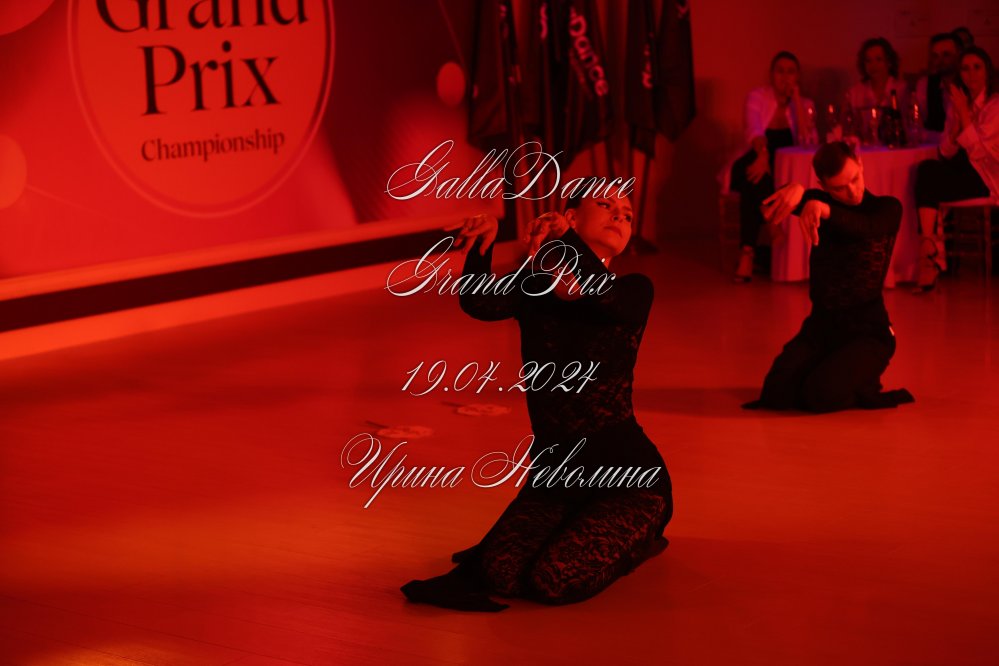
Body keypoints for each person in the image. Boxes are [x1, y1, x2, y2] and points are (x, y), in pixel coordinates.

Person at [400, 187, 673, 612]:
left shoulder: (634, 289)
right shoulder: (535, 286)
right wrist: (485, 245)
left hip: (627, 481)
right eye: (605, 205)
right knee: (500, 573)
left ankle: (642, 539)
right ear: (571, 217)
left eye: (627, 213)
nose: (620, 215)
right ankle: (570, 522)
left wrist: (565, 241)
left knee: (551, 580)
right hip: (557, 475)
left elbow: (599, 292)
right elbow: (479, 302)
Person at [743, 142, 914, 413]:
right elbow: (765, 203)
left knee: (819, 396)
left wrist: (822, 209)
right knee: (776, 394)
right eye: (839, 188)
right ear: (823, 185)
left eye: (854, 179)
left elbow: (865, 227)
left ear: (860, 164)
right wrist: (795, 188)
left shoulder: (886, 208)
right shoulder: (816, 201)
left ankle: (862, 382)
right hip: (822, 326)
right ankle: (832, 370)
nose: (852, 191)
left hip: (869, 332)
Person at [726, 51, 818, 283]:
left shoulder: (806, 104)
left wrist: (796, 100)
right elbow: (753, 130)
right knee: (753, 171)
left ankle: (747, 253)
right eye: (780, 71)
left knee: (752, 183)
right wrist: (763, 154)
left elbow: (808, 142)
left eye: (791, 72)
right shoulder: (757, 97)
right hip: (755, 157)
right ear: (771, 74)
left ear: (798, 76)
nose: (785, 77)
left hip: (783, 169)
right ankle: (771, 223)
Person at [913, 46, 999, 292]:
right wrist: (955, 128)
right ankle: (928, 247)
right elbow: (945, 151)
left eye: (977, 67)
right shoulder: (957, 104)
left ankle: (929, 257)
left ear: (987, 71)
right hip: (964, 169)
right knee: (926, 170)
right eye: (965, 68)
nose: (971, 74)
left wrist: (964, 113)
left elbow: (980, 152)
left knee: (929, 175)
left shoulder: (995, 105)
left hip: (988, 176)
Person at [847, 37, 909, 123]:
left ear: (889, 62)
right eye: (868, 61)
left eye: (879, 59)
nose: (873, 65)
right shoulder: (855, 93)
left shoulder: (902, 89)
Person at [914, 32, 963, 135]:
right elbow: (919, 122)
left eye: (946, 55)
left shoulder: (970, 83)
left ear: (959, 55)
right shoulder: (924, 85)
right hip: (934, 142)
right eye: (935, 56)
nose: (940, 60)